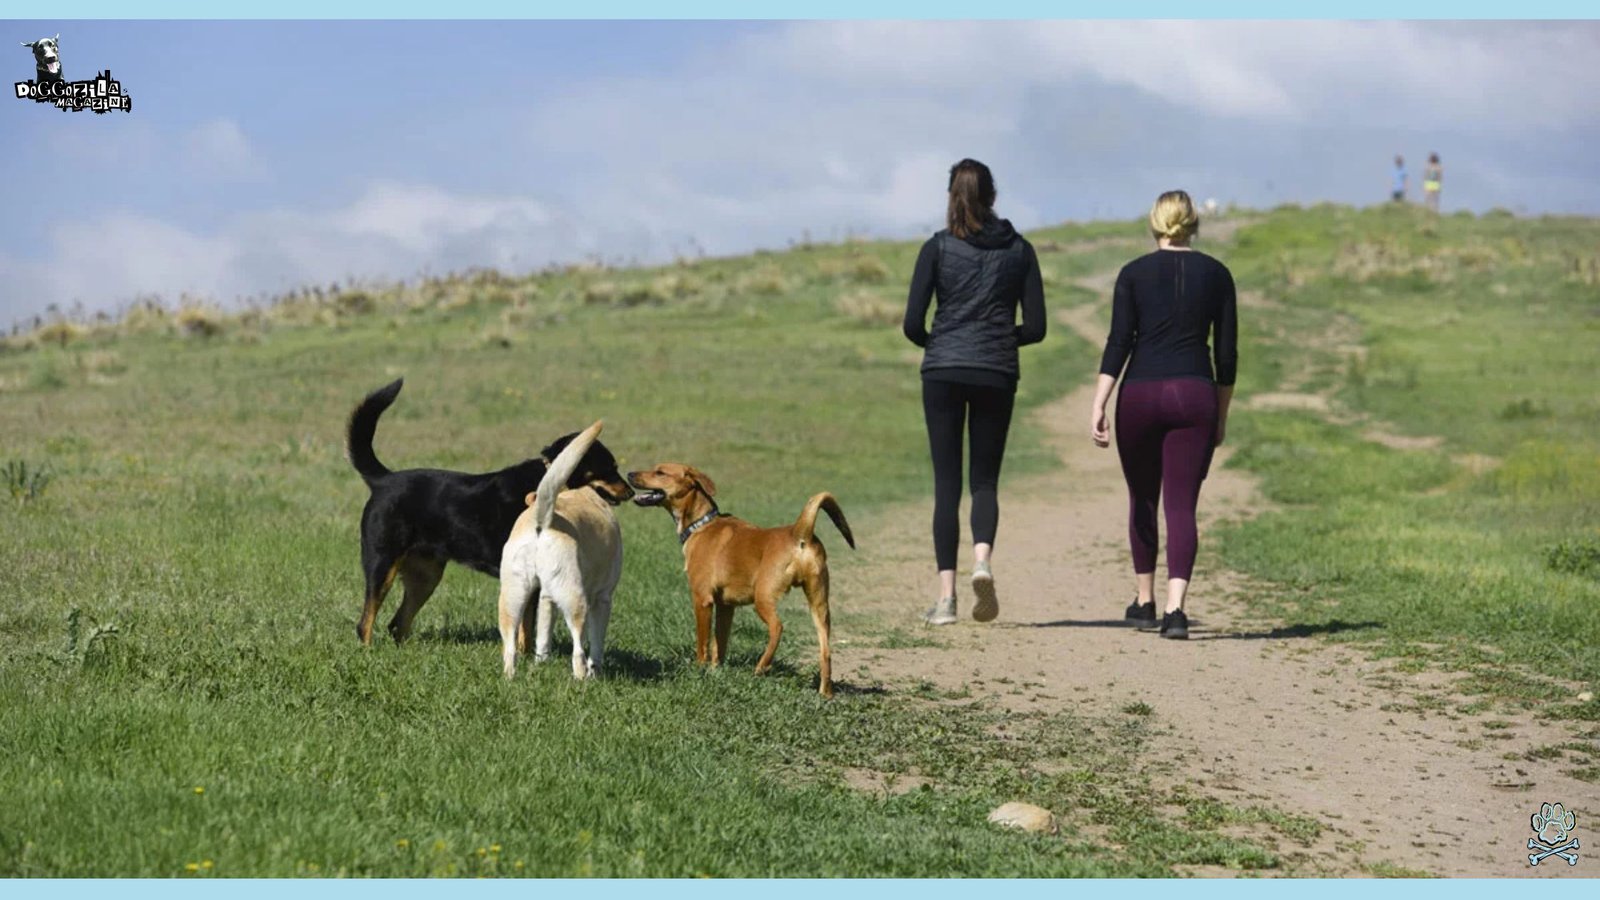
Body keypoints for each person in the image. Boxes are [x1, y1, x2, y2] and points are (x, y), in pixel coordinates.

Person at [903, 158, 1047, 626]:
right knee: (984, 480)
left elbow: (911, 324)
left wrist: (941, 344)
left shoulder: (937, 248)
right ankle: (982, 561)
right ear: (993, 197)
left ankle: (945, 601)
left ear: (952, 196)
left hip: (943, 370)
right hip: (996, 371)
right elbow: (1038, 327)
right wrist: (1001, 339)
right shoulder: (1020, 250)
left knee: (947, 485)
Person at [1090, 190, 1237, 639]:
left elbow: (1119, 342)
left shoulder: (1132, 274)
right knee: (1181, 505)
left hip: (1138, 395)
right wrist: (1221, 414)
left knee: (1143, 498)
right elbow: (1227, 356)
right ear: (1193, 223)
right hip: (1194, 394)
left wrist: (1098, 401)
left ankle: (1144, 600)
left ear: (1154, 223)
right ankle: (1176, 610)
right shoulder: (1217, 274)